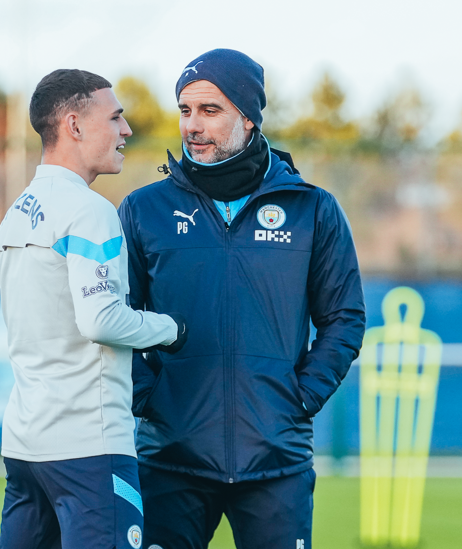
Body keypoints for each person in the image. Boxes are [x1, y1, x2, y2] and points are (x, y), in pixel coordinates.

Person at [117, 49, 366, 549]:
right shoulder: (144, 209)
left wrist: (300, 397)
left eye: (210, 110)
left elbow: (344, 318)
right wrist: (149, 398)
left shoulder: (312, 209)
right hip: (170, 460)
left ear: (249, 117)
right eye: (185, 110)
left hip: (276, 462)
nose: (192, 125)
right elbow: (114, 316)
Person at [0, 69, 187, 549]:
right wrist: (169, 328)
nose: (126, 130)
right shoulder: (89, 210)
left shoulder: (20, 209)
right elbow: (100, 319)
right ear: (74, 125)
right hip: (88, 449)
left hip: (26, 446)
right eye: (115, 118)